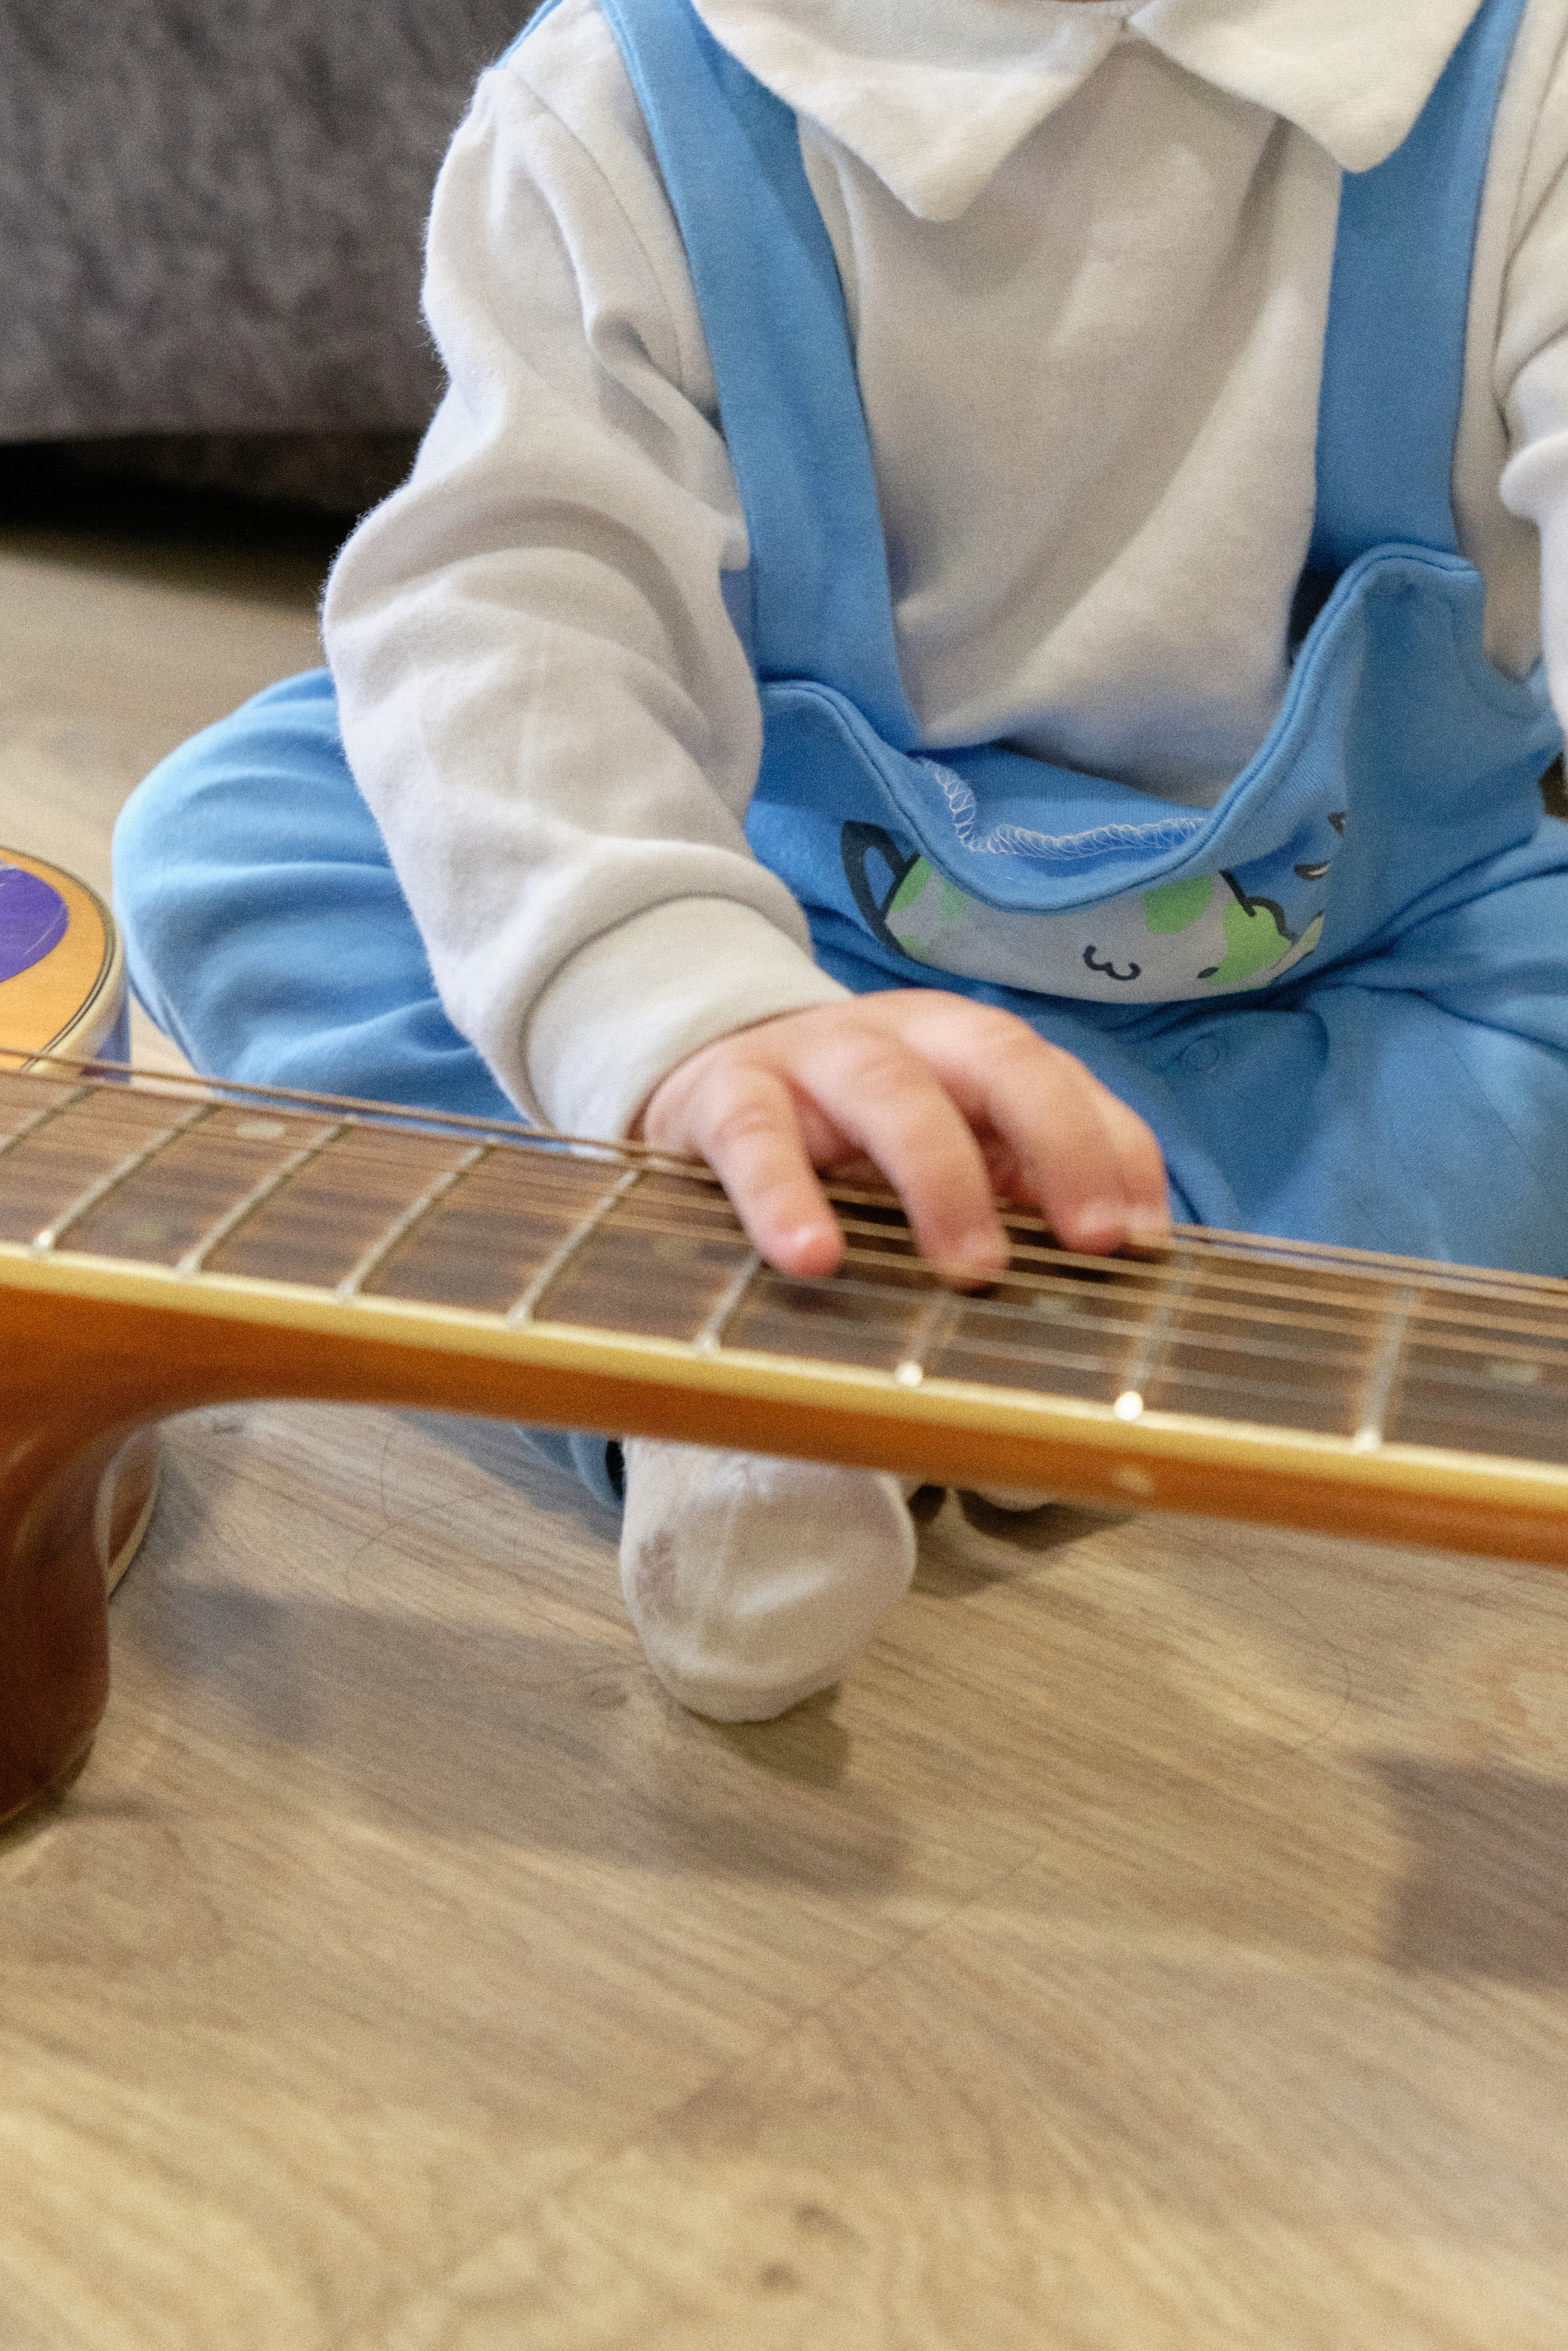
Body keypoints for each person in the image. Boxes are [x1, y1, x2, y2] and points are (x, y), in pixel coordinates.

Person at [115, 0, 1568, 1717]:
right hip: (780, 941)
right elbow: (512, 607)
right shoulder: (624, 100)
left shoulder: (1519, 79)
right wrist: (684, 1021)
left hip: (1344, 979)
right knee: (238, 834)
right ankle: (751, 1329)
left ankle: (875, 1320)